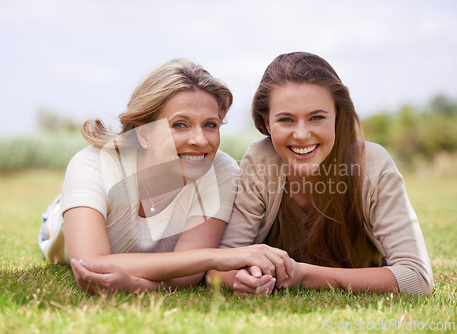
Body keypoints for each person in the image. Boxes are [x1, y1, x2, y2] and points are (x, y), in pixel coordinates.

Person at [38, 58, 293, 294]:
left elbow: (188, 275)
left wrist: (135, 284)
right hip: (56, 227)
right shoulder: (93, 164)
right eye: (180, 124)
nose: (199, 140)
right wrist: (220, 257)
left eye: (210, 124)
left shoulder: (222, 171)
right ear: (144, 134)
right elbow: (92, 263)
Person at [207, 52, 433, 296]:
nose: (302, 134)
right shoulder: (261, 162)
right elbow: (220, 265)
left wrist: (303, 275)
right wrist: (238, 279)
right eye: (286, 120)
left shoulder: (372, 165)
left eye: (316, 118)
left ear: (337, 116)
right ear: (268, 123)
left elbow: (416, 278)